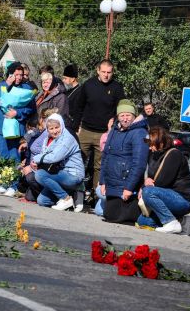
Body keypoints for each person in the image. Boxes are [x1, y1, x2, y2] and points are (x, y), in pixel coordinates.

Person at [137, 128, 190, 233]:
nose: (150, 147)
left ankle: (171, 222)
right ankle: (179, 220)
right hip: (167, 195)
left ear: (161, 143)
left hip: (183, 198)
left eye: (152, 144)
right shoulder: (153, 155)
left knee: (148, 192)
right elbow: (151, 179)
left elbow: (162, 182)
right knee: (143, 221)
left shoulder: (174, 154)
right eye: (149, 144)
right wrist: (146, 182)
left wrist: (145, 186)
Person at [74, 59, 126, 189]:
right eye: (103, 72)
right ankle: (74, 193)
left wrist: (114, 118)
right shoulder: (88, 85)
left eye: (109, 72)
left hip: (104, 133)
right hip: (85, 130)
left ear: (112, 72)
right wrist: (76, 127)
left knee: (99, 166)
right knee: (77, 161)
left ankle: (96, 196)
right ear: (98, 71)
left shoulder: (117, 87)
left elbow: (122, 108)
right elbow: (79, 107)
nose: (106, 75)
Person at [98, 100, 149, 224]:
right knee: (106, 214)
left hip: (126, 185)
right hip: (112, 183)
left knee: (119, 218)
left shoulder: (139, 133)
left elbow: (139, 163)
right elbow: (106, 156)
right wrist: (103, 181)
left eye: (128, 115)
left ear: (134, 115)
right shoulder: (114, 130)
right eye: (122, 115)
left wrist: (129, 188)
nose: (125, 119)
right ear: (118, 116)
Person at [0, 62, 36, 163]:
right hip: (0, 127)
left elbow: (30, 108)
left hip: (17, 127)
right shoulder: (1, 86)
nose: (19, 78)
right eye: (16, 75)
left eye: (21, 75)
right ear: (10, 74)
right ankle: (4, 177)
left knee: (14, 155)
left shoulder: (26, 89)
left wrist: (17, 113)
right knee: (3, 155)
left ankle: (14, 178)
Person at [31, 113, 84, 210]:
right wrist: (35, 162)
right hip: (60, 175)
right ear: (47, 130)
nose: (55, 131)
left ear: (62, 125)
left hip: (72, 175)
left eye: (57, 127)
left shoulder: (67, 138)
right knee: (42, 201)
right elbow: (45, 155)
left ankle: (66, 198)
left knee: (40, 175)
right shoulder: (49, 139)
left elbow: (55, 157)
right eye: (51, 129)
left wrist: (36, 159)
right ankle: (70, 196)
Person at [62, 64, 81, 132]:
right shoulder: (69, 90)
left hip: (73, 127)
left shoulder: (80, 92)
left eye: (65, 78)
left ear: (73, 79)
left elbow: (77, 113)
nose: (63, 80)